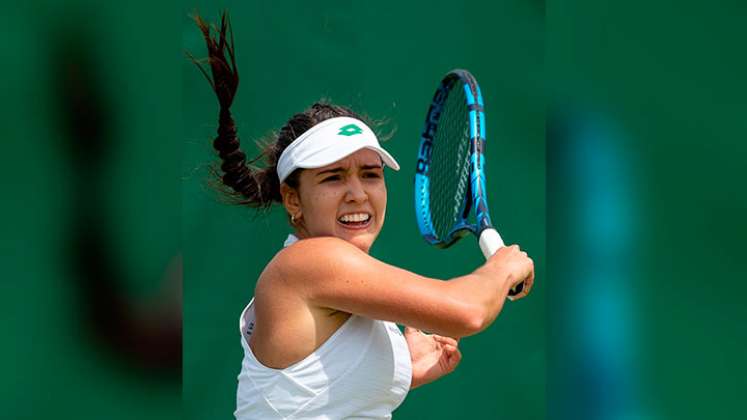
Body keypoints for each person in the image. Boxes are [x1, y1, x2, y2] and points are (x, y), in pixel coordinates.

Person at [191, 13, 535, 420]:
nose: (358, 192)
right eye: (334, 177)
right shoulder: (309, 262)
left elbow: (309, 394)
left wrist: (399, 370)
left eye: (370, 174)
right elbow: (467, 311)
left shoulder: (333, 282)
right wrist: (503, 267)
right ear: (293, 200)